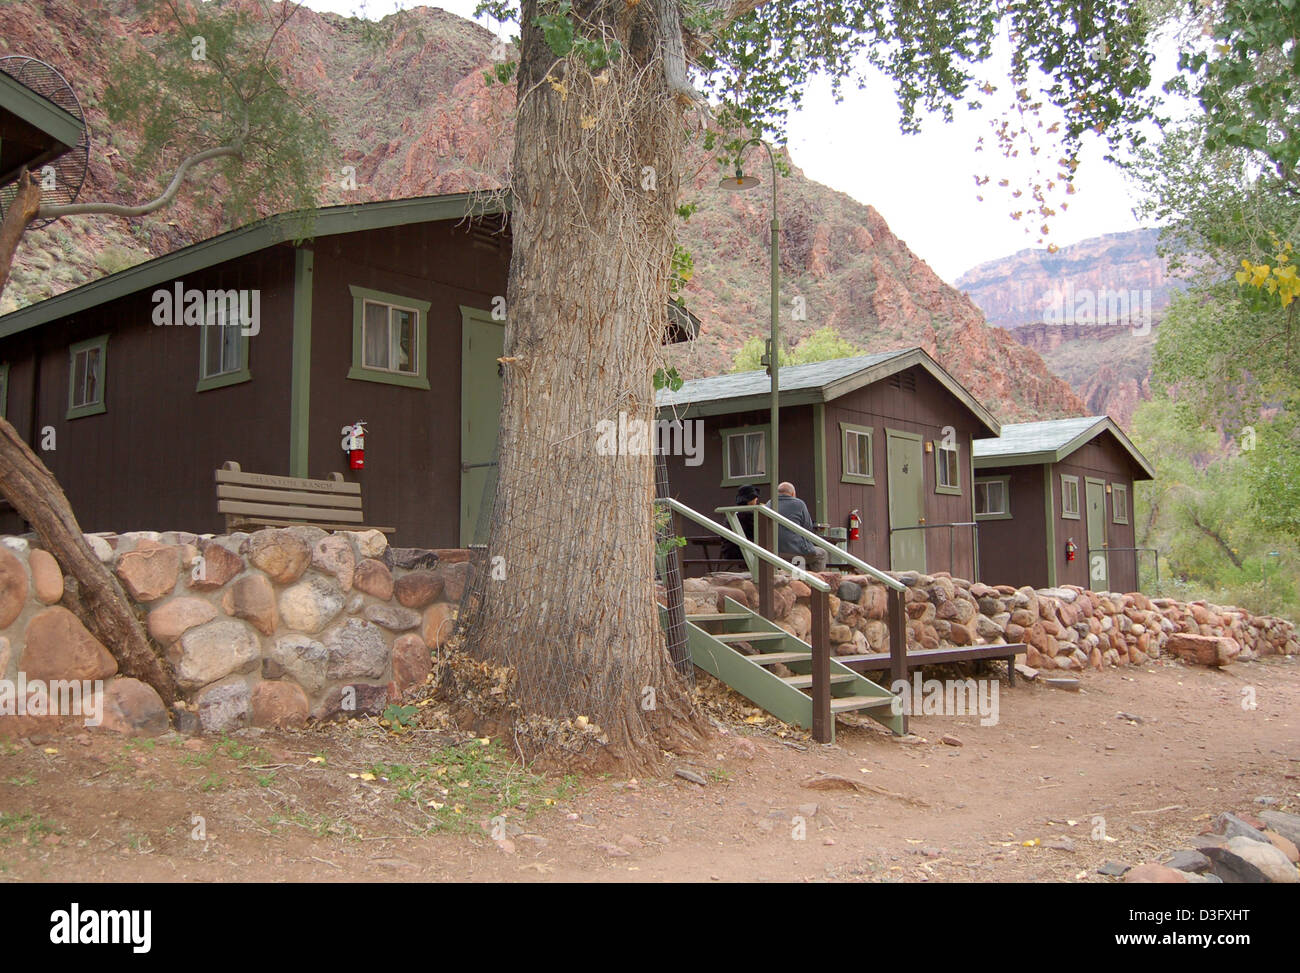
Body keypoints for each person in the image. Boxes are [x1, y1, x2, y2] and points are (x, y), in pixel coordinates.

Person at [775, 481, 827, 572]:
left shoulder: (769, 503)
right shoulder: (799, 504)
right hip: (794, 551)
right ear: (793, 493)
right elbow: (807, 528)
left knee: (802, 559)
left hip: (774, 550)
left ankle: (800, 577)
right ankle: (815, 583)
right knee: (822, 554)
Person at [719, 484, 760, 560]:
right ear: (751, 500)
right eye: (755, 498)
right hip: (741, 551)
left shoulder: (733, 513)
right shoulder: (748, 514)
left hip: (729, 550)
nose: (757, 500)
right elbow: (760, 531)